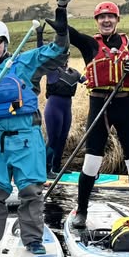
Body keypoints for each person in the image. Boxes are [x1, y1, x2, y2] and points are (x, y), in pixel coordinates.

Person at [0, 0, 72, 255]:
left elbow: (58, 53)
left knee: (31, 193)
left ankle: (33, 240)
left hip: (26, 139)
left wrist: (61, 21)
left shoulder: (24, 63)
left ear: (6, 41)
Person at [65, 0, 129, 226]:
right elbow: (65, 30)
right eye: (102, 17)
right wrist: (61, 8)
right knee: (91, 162)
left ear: (117, 20)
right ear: (97, 21)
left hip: (125, 106)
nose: (106, 20)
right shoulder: (89, 45)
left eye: (110, 16)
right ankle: (82, 212)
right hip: (99, 107)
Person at [35, 23, 83, 179]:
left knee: (62, 138)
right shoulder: (52, 70)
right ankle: (45, 169)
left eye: (66, 54)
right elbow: (40, 54)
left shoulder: (74, 73)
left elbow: (90, 80)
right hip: (53, 109)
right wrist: (39, 35)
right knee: (53, 139)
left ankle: (57, 167)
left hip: (66, 109)